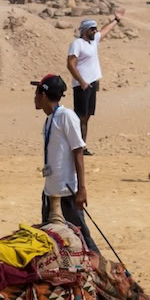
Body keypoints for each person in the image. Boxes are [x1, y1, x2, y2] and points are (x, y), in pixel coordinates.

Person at [32, 74, 96, 253]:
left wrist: (81, 189)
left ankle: (102, 273)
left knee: (83, 240)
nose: (34, 97)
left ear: (43, 95)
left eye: (36, 93)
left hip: (67, 191)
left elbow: (78, 151)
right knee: (51, 241)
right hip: (50, 191)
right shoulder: (50, 119)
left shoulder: (66, 116)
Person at [66, 18, 104, 153]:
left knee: (86, 117)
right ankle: (75, 147)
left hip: (92, 84)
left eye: (95, 28)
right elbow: (70, 64)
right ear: (85, 30)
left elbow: (105, 31)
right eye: (92, 29)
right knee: (80, 117)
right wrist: (82, 82)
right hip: (81, 85)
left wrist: (116, 20)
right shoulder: (77, 44)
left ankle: (82, 146)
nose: (95, 31)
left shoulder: (92, 43)